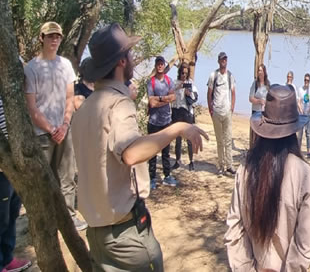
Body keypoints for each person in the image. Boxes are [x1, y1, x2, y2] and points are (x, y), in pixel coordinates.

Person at [72, 23, 208, 271]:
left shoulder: (84, 110)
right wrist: (177, 129)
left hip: (96, 234)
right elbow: (131, 153)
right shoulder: (118, 104)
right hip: (126, 236)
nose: (133, 58)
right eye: (129, 53)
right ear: (121, 62)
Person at [226, 84, 310, 271]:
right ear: (294, 130)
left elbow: (235, 231)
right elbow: (304, 244)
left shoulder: (245, 170)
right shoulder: (303, 173)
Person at [23, 21, 86, 231]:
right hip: (42, 134)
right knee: (44, 181)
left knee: (68, 177)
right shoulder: (31, 68)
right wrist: (51, 129)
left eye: (57, 36)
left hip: (64, 130)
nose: (54, 40)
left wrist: (65, 124)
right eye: (50, 36)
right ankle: (44, 223)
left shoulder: (66, 65)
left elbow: (70, 98)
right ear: (41, 38)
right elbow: (31, 108)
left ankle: (69, 217)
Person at [0, 97, 32, 272]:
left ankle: (6, 258)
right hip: (1, 169)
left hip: (15, 164)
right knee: (1, 218)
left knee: (11, 214)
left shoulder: (6, 87)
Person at [146, 56, 177, 189]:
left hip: (166, 121)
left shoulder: (169, 81)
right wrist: (164, 99)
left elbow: (173, 97)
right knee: (152, 152)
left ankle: (167, 175)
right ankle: (152, 178)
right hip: (154, 121)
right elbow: (151, 103)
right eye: (158, 64)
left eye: (162, 64)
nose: (160, 66)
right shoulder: (151, 82)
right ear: (155, 66)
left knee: (166, 151)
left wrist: (159, 98)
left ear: (164, 66)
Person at [208, 52, 236, 176]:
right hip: (216, 112)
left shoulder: (230, 76)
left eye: (225, 59)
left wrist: (232, 108)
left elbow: (233, 92)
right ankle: (221, 165)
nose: (223, 61)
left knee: (228, 139)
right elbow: (209, 93)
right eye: (221, 59)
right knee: (220, 141)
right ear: (218, 61)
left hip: (227, 112)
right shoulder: (213, 75)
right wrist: (210, 109)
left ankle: (229, 165)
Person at [172, 63, 198, 171]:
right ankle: (177, 160)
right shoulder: (175, 82)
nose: (184, 75)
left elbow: (195, 97)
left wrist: (189, 94)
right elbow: (170, 93)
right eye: (182, 73)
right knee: (177, 138)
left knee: (189, 138)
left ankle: (191, 161)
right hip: (176, 111)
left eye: (186, 73)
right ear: (180, 72)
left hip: (186, 112)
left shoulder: (190, 83)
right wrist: (180, 86)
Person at [248, 63, 269, 149]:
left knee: (263, 135)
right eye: (258, 71)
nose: (260, 72)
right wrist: (259, 101)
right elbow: (250, 98)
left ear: (264, 72)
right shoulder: (255, 84)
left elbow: (270, 99)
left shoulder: (268, 85)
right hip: (255, 112)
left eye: (261, 70)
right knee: (255, 135)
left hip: (264, 113)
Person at [298, 73, 310, 158]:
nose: (306, 82)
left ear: (309, 81)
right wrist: (301, 110)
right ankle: (298, 151)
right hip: (301, 115)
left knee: (308, 134)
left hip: (308, 116)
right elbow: (299, 101)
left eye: (307, 80)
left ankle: (308, 151)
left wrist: (308, 111)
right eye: (305, 80)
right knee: (299, 135)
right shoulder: (300, 89)